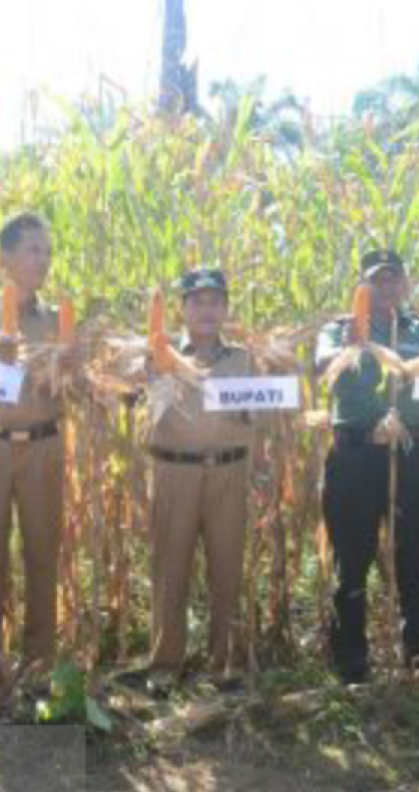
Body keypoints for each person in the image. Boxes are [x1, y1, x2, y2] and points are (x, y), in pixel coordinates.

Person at [0, 211, 79, 709]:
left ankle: (38, 666)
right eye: (33, 251)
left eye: (47, 252)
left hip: (44, 445)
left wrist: (69, 368)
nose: (43, 261)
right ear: (5, 258)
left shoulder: (55, 322)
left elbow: (73, 390)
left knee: (43, 555)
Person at [315, 249, 419, 685]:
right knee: (352, 560)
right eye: (376, 281)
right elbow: (319, 368)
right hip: (356, 455)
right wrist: (349, 346)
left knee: (416, 556)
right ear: (361, 286)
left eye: (393, 280)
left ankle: (417, 655)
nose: (385, 289)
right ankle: (350, 661)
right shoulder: (339, 328)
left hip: (410, 454)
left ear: (405, 284)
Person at [146, 268, 255, 689]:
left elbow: (258, 414)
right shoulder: (159, 354)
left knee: (227, 567)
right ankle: (164, 664)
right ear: (182, 309)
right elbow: (143, 410)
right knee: (170, 567)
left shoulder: (244, 359)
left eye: (215, 302)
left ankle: (223, 661)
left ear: (226, 309)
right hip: (176, 471)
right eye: (198, 302)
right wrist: (153, 376)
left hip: (228, 471)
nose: (207, 310)